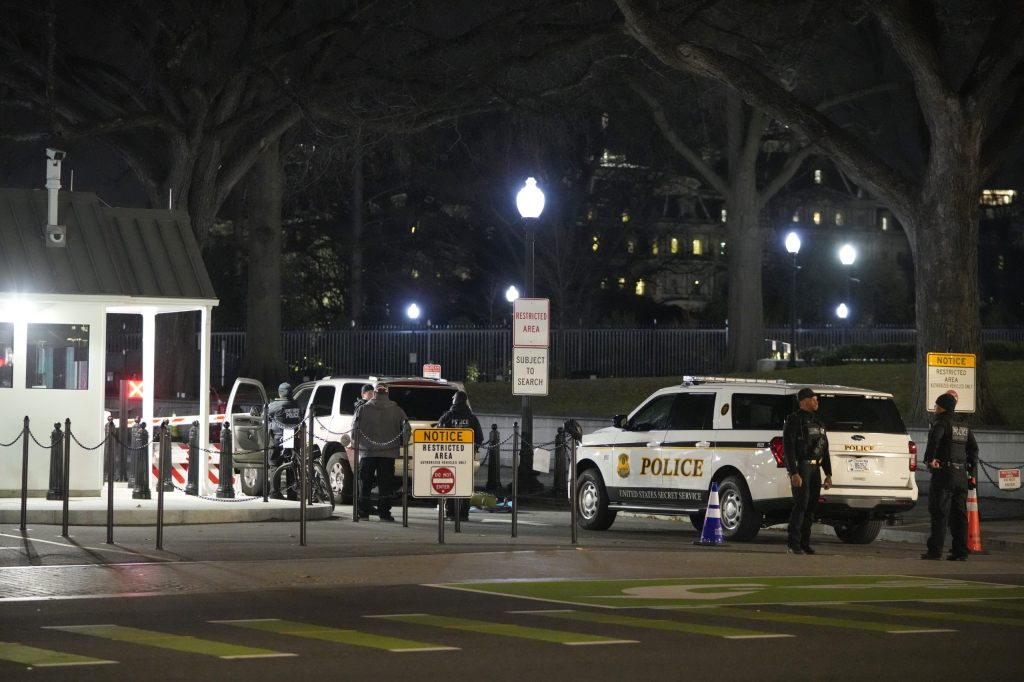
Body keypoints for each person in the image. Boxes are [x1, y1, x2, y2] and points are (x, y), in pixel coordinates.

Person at [921, 391, 979, 561]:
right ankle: (961, 551)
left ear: (942, 407)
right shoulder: (963, 424)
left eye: (936, 406)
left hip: (944, 473)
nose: (934, 409)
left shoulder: (941, 422)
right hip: (961, 474)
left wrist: (930, 459)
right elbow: (973, 448)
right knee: (959, 515)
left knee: (939, 512)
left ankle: (935, 551)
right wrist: (970, 470)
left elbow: (934, 440)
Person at [783, 387, 833, 554]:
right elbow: (788, 448)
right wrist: (793, 472)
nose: (816, 401)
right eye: (813, 399)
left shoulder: (818, 422)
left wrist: (829, 474)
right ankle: (793, 543)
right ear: (803, 401)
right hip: (801, 467)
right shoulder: (793, 420)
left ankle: (805, 542)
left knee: (811, 505)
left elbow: (824, 449)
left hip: (815, 467)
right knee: (801, 504)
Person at [352, 382, 408, 521]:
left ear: (375, 393)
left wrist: (357, 444)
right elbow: (406, 430)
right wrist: (401, 444)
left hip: (367, 452)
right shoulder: (398, 410)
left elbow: (354, 430)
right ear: (387, 393)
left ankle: (363, 512)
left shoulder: (363, 409)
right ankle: (384, 513)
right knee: (385, 484)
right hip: (388, 453)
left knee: (365, 482)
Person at [437, 390, 484, 520]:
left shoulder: (447, 417)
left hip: (450, 457)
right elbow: (480, 437)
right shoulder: (472, 418)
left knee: (450, 484)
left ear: (455, 401)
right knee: (465, 486)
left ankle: (451, 513)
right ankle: (463, 514)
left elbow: (436, 436)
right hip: (466, 458)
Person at [267, 382, 303, 500]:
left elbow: (264, 415)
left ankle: (275, 492)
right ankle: (292, 493)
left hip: (277, 440)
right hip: (293, 438)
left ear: (280, 393)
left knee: (274, 465)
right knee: (291, 465)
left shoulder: (274, 405)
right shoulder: (297, 404)